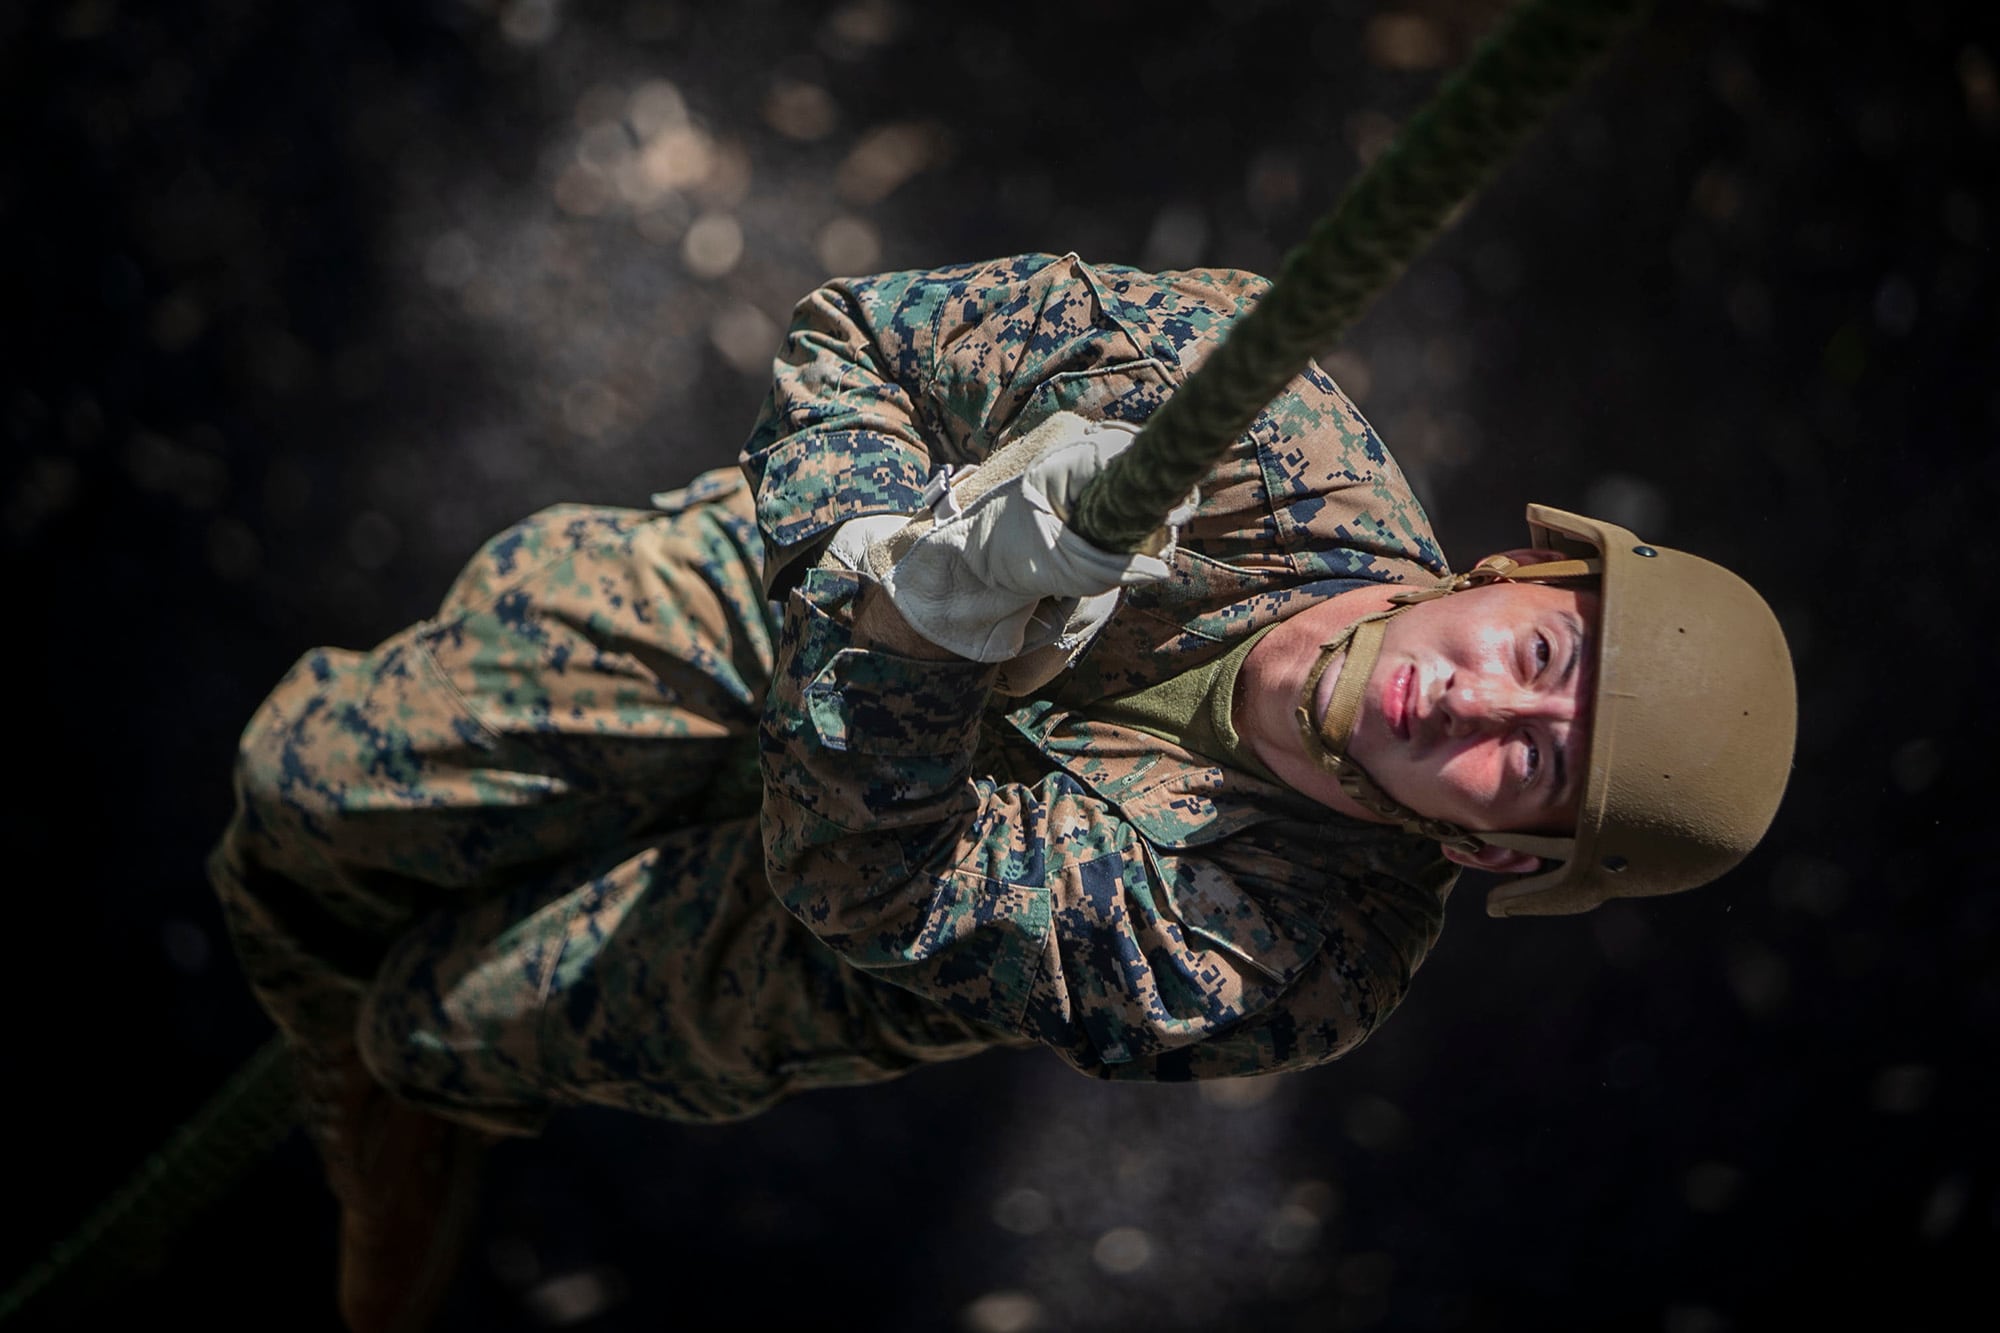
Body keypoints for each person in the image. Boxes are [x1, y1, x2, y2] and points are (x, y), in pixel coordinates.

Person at [207, 253, 1797, 1330]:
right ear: (1512, 569)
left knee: (436, 1024)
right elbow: (860, 335)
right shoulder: (1255, 424)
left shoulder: (1304, 955)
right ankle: (342, 1048)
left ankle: (400, 1099)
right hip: (762, 607)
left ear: (1502, 851)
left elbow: (872, 889)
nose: (1476, 695)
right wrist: (888, 545)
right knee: (304, 789)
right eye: (1533, 646)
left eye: (1534, 756)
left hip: (812, 940)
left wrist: (932, 635)